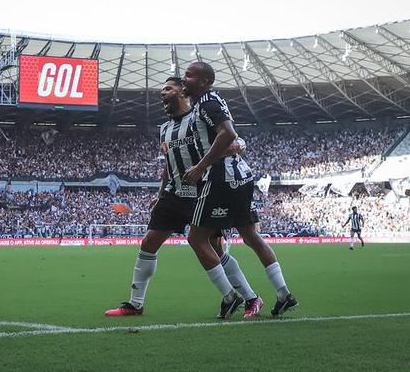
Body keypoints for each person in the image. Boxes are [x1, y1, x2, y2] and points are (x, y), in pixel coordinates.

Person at [105, 77, 258, 319]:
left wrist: (239, 145)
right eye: (162, 90)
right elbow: (168, 165)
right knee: (148, 243)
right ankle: (135, 304)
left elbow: (232, 138)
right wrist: (159, 194)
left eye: (168, 88)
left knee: (216, 250)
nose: (162, 93)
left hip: (202, 191)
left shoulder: (199, 117)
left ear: (182, 91)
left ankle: (250, 298)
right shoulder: (164, 129)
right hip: (173, 194)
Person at [182, 62, 297, 317]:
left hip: (220, 177)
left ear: (203, 81)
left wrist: (201, 166)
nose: (184, 78)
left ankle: (230, 296)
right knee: (250, 237)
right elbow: (232, 138)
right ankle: (283, 294)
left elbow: (228, 134)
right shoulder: (213, 101)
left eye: (189, 75)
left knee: (197, 238)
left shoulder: (207, 103)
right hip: (240, 175)